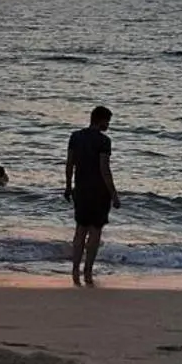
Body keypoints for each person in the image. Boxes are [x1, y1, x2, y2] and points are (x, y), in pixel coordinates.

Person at [65, 104, 120, 285]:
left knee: (80, 230)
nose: (108, 125)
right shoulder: (104, 141)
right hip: (98, 192)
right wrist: (114, 194)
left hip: (80, 189)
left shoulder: (76, 137)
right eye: (108, 121)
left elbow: (70, 164)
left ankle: (75, 270)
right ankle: (87, 271)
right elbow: (104, 169)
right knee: (95, 232)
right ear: (101, 120)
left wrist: (67, 186)